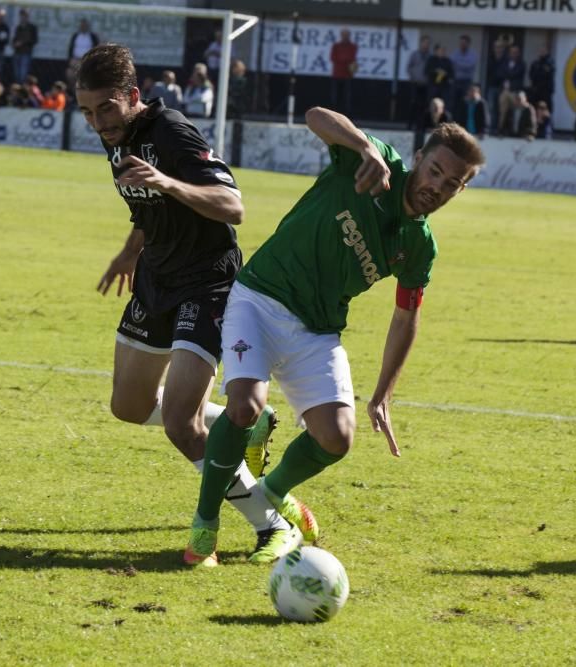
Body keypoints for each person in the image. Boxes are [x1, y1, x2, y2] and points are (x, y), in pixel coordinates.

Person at [183, 107, 485, 565]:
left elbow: (405, 318)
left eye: (451, 184)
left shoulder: (420, 245)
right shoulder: (373, 163)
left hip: (317, 331)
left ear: (461, 190)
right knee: (244, 405)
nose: (436, 188)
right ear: (418, 157)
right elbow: (316, 116)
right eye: (434, 171)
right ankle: (205, 527)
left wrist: (382, 393)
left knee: (337, 437)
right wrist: (363, 145)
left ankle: (273, 490)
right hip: (260, 298)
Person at [74, 43, 304, 566]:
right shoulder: (116, 139)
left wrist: (167, 181)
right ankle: (245, 422)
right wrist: (128, 251)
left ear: (132, 97)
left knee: (181, 422)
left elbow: (233, 207)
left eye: (106, 108)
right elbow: (147, 208)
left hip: (208, 284)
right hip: (156, 279)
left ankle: (271, 524)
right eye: (87, 112)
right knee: (128, 407)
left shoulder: (171, 131)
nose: (97, 121)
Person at [329, 28, 357, 115]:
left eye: (347, 35)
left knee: (347, 95)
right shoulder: (336, 46)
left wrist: (345, 62)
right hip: (336, 74)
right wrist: (344, 61)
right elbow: (333, 58)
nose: (345, 37)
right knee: (335, 95)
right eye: (343, 35)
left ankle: (346, 113)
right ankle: (334, 112)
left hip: (347, 74)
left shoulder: (353, 46)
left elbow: (352, 58)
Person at [406, 35, 431, 129]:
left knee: (423, 106)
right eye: (424, 43)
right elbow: (409, 67)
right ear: (421, 43)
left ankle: (420, 126)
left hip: (425, 85)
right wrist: (413, 77)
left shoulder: (430, 56)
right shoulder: (414, 54)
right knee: (413, 104)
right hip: (415, 84)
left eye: (428, 43)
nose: (426, 45)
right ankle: (410, 125)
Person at [449, 34, 478, 116]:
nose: (462, 45)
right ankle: (453, 120)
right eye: (461, 43)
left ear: (468, 44)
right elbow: (451, 63)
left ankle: (463, 121)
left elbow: (469, 66)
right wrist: (463, 64)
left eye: (464, 43)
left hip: (466, 82)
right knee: (454, 102)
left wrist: (458, 64)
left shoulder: (473, 54)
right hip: (456, 81)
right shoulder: (455, 52)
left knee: (465, 102)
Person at [11, 8, 38, 84]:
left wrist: (22, 42)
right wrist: (14, 43)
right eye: (22, 15)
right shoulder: (18, 27)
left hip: (26, 53)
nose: (23, 17)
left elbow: (34, 40)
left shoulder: (32, 27)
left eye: (25, 15)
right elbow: (14, 39)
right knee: (16, 74)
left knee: (23, 74)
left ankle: (23, 90)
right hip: (17, 53)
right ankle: (18, 89)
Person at [425, 44, 453, 112]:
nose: (442, 52)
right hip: (433, 85)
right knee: (432, 102)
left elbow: (452, 73)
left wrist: (445, 74)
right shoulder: (431, 60)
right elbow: (426, 71)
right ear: (436, 51)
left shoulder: (447, 61)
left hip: (444, 86)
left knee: (444, 103)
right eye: (440, 50)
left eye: (443, 50)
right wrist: (436, 71)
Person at [527, 47, 554, 111]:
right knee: (533, 108)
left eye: (544, 51)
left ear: (547, 52)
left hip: (546, 90)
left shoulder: (550, 62)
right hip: (536, 89)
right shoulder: (535, 63)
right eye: (541, 51)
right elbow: (531, 75)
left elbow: (547, 74)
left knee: (546, 109)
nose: (542, 53)